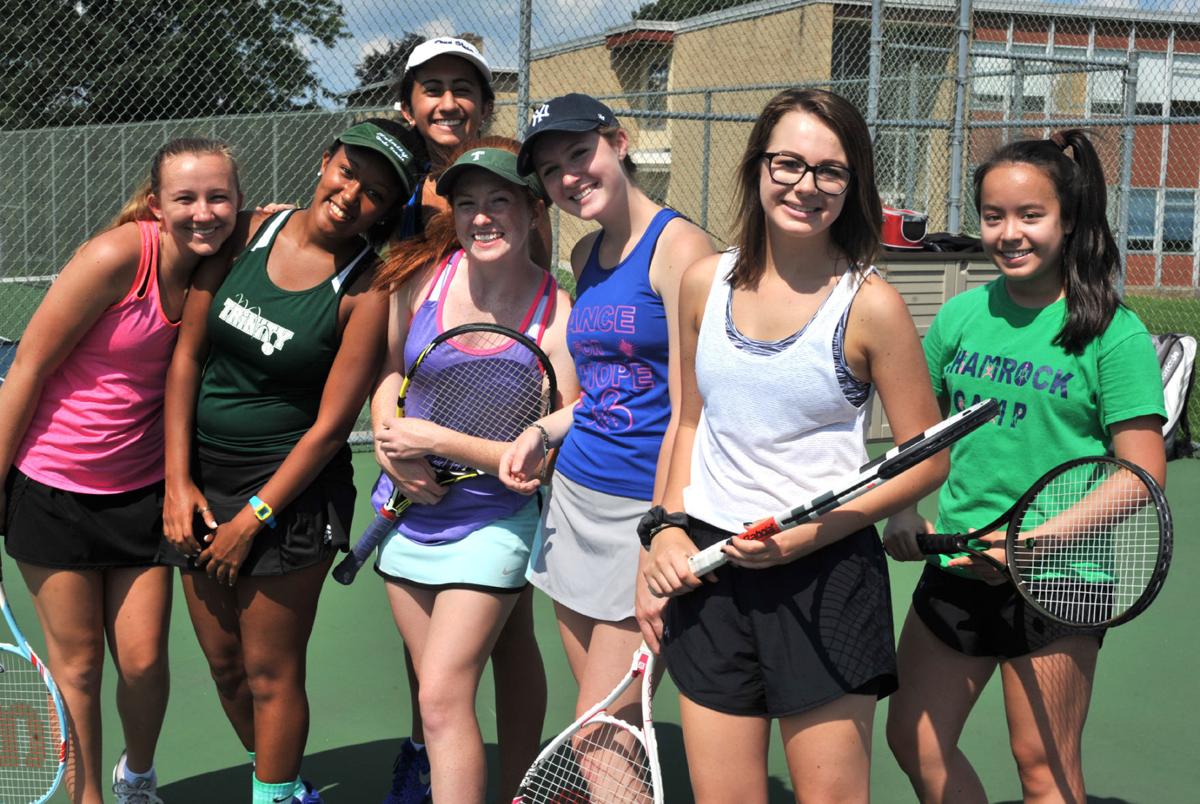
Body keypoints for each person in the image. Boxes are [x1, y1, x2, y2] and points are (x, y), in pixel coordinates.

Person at [640, 88, 949, 803]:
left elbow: (926, 455)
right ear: (757, 167)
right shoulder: (700, 283)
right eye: (788, 163)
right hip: (712, 577)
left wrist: (808, 536)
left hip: (828, 578)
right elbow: (688, 422)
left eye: (830, 171)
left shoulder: (869, 304)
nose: (805, 186)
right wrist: (665, 530)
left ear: (853, 184)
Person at [883, 130, 1167, 804]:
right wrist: (902, 507)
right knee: (914, 740)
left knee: (1043, 767)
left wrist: (1029, 545)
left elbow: (1140, 474)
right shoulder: (958, 318)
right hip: (958, 567)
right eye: (993, 216)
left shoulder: (1111, 332)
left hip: (1061, 581)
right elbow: (922, 437)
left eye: (1030, 216)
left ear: (1068, 222)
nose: (1009, 233)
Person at [160, 119, 418, 804]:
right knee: (225, 669)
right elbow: (188, 357)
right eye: (349, 171)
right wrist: (178, 480)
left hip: (290, 495)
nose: (352, 193)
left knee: (271, 672)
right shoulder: (249, 232)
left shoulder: (368, 288)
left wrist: (254, 517)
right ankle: (283, 781)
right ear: (327, 159)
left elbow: (332, 429)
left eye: (377, 191)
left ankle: (272, 794)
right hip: (202, 480)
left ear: (390, 210)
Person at [0, 137, 242, 804]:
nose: (203, 211)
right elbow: (26, 368)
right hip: (52, 489)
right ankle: (89, 800)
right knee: (77, 668)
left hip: (140, 494)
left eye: (218, 196)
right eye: (186, 198)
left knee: (143, 663)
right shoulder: (117, 257)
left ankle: (135, 776)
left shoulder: (221, 257)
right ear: (156, 204)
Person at [370, 137, 577, 804]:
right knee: (463, 679)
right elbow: (392, 373)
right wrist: (386, 434)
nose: (482, 217)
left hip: (495, 521)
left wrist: (439, 439)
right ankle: (518, 789)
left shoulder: (557, 315)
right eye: (467, 205)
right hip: (406, 514)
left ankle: (514, 785)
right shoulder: (418, 281)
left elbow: (545, 455)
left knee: (439, 696)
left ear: (533, 211)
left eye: (499, 202)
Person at [500, 93, 713, 740]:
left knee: (598, 732)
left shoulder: (683, 249)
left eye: (579, 153)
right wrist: (542, 431)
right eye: (550, 170)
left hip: (646, 515)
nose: (568, 177)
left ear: (618, 143)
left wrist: (668, 528)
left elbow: (703, 406)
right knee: (608, 735)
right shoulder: (584, 257)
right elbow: (603, 391)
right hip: (573, 507)